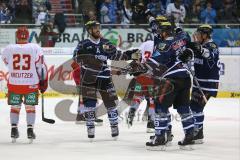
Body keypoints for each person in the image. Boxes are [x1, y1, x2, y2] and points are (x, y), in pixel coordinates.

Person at [72, 20, 137, 141]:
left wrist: (130, 55)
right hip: (89, 79)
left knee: (111, 105)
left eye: (98, 27)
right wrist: (90, 59)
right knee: (89, 105)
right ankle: (90, 128)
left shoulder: (106, 43)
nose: (98, 30)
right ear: (89, 30)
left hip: (105, 77)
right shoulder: (83, 44)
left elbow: (117, 55)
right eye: (95, 28)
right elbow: (75, 57)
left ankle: (114, 126)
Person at [137, 20, 195, 150]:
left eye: (159, 32)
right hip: (185, 78)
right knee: (184, 108)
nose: (158, 34)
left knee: (160, 107)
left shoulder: (164, 44)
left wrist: (139, 67)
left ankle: (160, 137)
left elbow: (154, 61)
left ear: (164, 32)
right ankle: (190, 136)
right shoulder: (181, 39)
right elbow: (186, 36)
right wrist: (179, 30)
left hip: (171, 80)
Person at [1, 26, 48, 143]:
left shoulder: (8, 48)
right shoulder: (35, 47)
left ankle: (13, 129)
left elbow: (6, 63)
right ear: (28, 36)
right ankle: (30, 130)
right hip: (31, 84)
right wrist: (43, 82)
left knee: (15, 107)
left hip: (14, 83)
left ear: (16, 36)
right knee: (30, 108)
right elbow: (41, 67)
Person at [190, 24, 220, 144]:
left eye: (199, 33)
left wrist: (199, 48)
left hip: (208, 83)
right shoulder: (201, 45)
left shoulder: (211, 45)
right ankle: (198, 131)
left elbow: (209, 54)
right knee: (194, 107)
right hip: (199, 82)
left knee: (197, 107)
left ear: (205, 35)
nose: (197, 35)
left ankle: (198, 133)